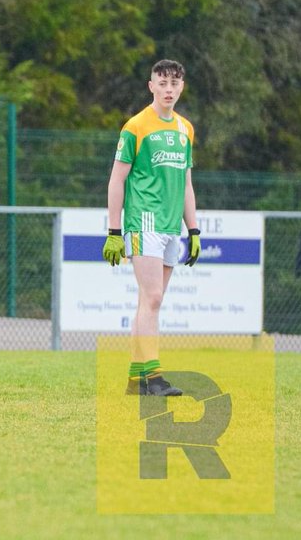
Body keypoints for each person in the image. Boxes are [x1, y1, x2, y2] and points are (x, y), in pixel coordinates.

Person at [103, 59, 200, 397]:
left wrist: (194, 230)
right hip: (144, 220)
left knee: (149, 301)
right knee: (153, 297)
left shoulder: (185, 129)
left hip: (172, 225)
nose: (168, 89)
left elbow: (186, 183)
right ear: (151, 86)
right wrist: (114, 231)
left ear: (181, 87)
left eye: (174, 83)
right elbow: (117, 179)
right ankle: (154, 378)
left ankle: (136, 380)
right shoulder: (136, 126)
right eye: (162, 83)